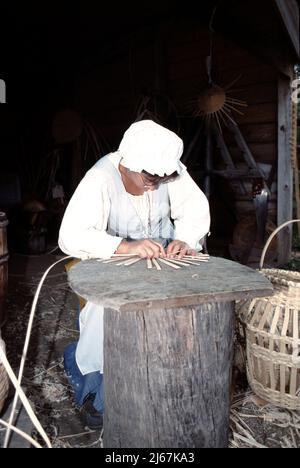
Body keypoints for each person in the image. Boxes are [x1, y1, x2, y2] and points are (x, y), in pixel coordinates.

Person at [58, 119, 210, 430]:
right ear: (128, 163)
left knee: (192, 301)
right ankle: (95, 381)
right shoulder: (100, 178)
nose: (156, 183)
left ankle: (176, 373)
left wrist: (186, 239)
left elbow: (194, 209)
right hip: (113, 256)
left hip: (164, 252)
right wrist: (125, 246)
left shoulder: (165, 172)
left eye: (163, 176)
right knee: (106, 311)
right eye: (150, 176)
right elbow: (70, 235)